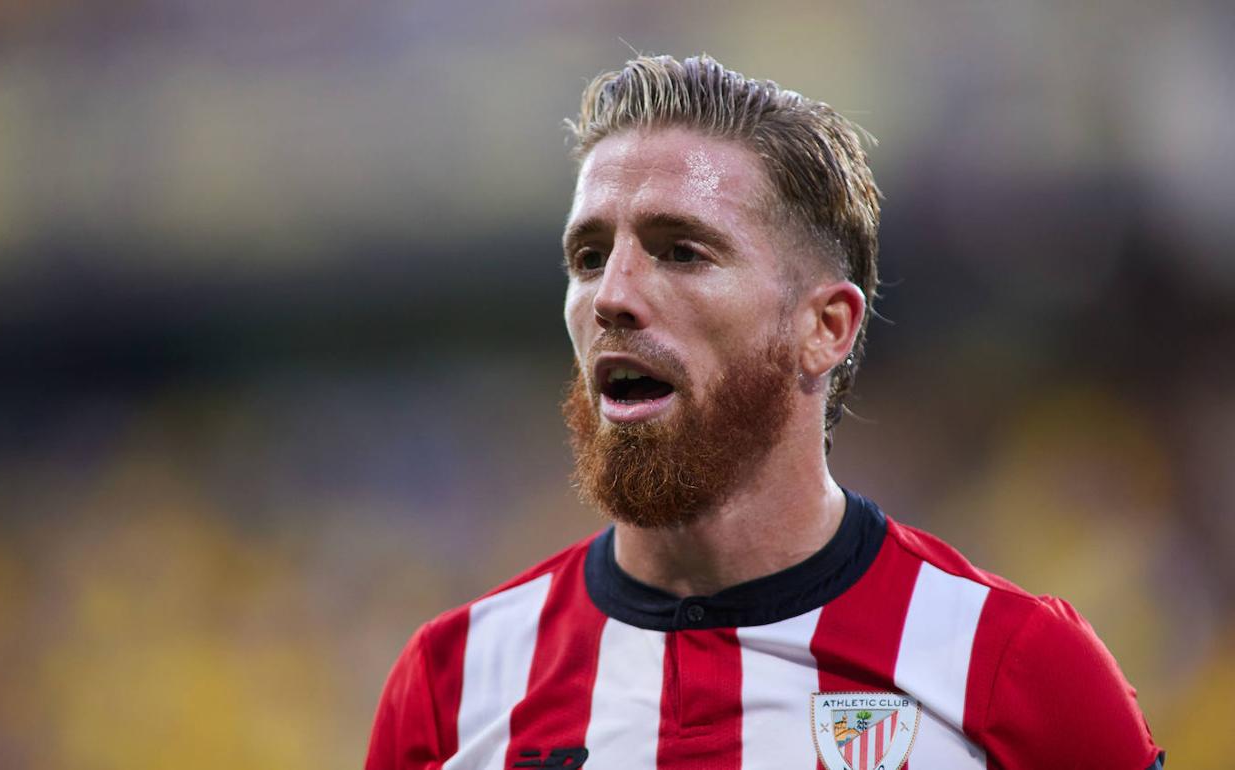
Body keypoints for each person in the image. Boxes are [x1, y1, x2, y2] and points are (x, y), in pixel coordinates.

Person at [365, 54, 1164, 770]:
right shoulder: (449, 688)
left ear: (824, 329)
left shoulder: (1017, 667)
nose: (611, 295)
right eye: (589, 256)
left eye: (681, 251)